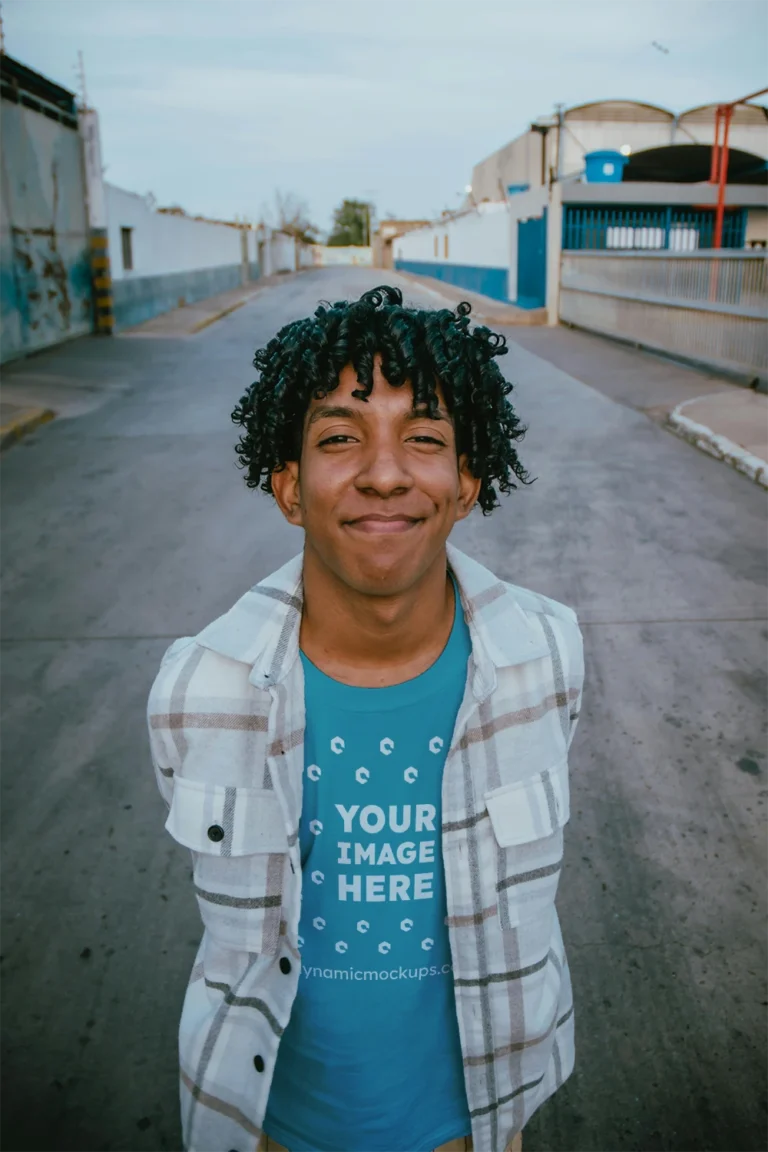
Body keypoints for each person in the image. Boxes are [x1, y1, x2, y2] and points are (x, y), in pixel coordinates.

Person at [148, 285, 584, 1152]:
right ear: (288, 487)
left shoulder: (546, 655)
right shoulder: (201, 689)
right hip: (268, 1127)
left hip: (478, 1125)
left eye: (423, 438)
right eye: (339, 437)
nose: (384, 472)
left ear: (466, 481)